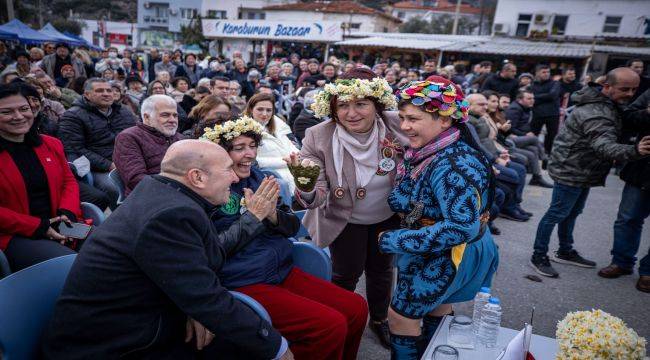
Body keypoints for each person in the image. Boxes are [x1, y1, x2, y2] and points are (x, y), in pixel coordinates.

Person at [42, 139, 294, 359]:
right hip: (116, 346)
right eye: (228, 169)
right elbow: (207, 297)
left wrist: (191, 306)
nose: (235, 178)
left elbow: (202, 263)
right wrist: (276, 347)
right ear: (197, 177)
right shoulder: (170, 214)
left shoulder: (164, 194)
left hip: (141, 325)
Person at [201, 117, 368, 359]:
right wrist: (254, 217)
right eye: (239, 148)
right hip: (244, 279)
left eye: (252, 145)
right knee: (329, 326)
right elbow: (212, 250)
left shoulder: (260, 178)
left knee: (356, 308)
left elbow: (291, 227)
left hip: (280, 269)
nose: (249, 154)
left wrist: (273, 216)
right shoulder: (209, 191)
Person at [284, 68, 405, 349]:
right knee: (345, 273)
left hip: (386, 215)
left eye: (361, 103)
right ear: (333, 108)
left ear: (377, 106)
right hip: (342, 216)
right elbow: (317, 197)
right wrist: (306, 185)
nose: (352, 113)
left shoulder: (396, 125)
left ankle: (378, 319)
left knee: (382, 269)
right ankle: (340, 319)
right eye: (343, 105)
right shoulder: (318, 135)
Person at [385, 77, 498, 359]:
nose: (404, 126)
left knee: (401, 318)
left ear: (445, 120)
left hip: (447, 254)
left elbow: (461, 227)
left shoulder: (452, 162)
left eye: (413, 118)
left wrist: (395, 239)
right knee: (438, 308)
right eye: (402, 117)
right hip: (443, 251)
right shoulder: (436, 150)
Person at [530, 67, 650, 278]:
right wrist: (636, 150)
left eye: (634, 89)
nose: (631, 94)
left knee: (572, 212)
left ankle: (565, 250)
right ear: (607, 87)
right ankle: (538, 255)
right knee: (556, 214)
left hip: (584, 169)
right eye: (625, 89)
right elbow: (604, 146)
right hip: (571, 170)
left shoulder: (608, 102)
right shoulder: (596, 112)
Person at [0, 83, 81, 272]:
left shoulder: (51, 144)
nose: (19, 116)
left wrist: (67, 213)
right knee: (74, 266)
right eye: (6, 112)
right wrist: (39, 226)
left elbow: (68, 182)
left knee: (115, 250)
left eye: (23, 109)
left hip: (61, 224)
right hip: (16, 234)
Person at [598, 88, 650, 293]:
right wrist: (647, 113)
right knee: (628, 218)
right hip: (643, 168)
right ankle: (622, 261)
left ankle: (648, 271)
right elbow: (627, 117)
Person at [58, 78, 137, 210]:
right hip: (97, 168)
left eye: (109, 90)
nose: (106, 94)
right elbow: (75, 149)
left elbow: (136, 137)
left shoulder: (124, 111)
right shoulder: (72, 116)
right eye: (100, 91)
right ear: (87, 95)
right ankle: (124, 221)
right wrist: (109, 165)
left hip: (127, 161)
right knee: (115, 188)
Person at [113, 95, 185, 196]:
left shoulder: (180, 138)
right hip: (150, 197)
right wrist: (179, 187)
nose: (172, 120)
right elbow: (136, 179)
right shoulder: (128, 137)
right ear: (147, 117)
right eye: (165, 115)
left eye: (175, 115)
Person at [244, 93, 299, 192]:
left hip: (292, 173)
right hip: (270, 177)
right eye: (260, 109)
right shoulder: (245, 130)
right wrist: (285, 161)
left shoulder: (279, 126)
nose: (265, 114)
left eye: (269, 110)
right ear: (251, 109)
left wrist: (295, 157)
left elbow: (292, 147)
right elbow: (253, 161)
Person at [530, 64, 561, 155]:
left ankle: (547, 155)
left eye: (548, 72)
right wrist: (545, 97)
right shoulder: (533, 85)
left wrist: (536, 97)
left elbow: (553, 95)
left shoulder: (555, 83)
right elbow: (531, 99)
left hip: (553, 114)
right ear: (537, 73)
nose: (546, 74)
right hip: (538, 113)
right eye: (543, 72)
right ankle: (533, 152)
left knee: (551, 137)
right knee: (533, 134)